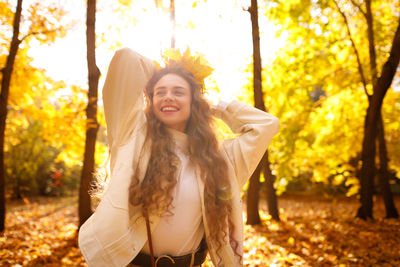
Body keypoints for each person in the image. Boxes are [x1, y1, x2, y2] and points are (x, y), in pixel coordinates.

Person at [78, 48, 280, 267]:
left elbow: (266, 125)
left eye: (178, 92)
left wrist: (213, 105)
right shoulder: (133, 135)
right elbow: (125, 60)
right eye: (160, 91)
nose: (168, 96)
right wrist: (170, 71)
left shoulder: (221, 159)